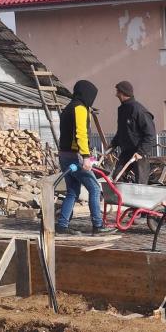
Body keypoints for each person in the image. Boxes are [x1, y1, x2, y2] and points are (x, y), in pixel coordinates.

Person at [56, 80, 115, 235]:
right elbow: (81, 134)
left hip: (63, 154)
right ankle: (98, 225)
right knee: (94, 188)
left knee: (72, 191)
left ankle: (62, 225)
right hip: (75, 156)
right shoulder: (80, 109)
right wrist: (86, 157)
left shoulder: (68, 108)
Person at [110, 81, 156, 184]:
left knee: (140, 182)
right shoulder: (122, 109)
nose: (116, 95)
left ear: (123, 93)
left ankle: (140, 194)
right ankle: (122, 194)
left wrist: (141, 152)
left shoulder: (138, 110)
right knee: (117, 176)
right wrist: (113, 143)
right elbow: (122, 131)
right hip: (126, 152)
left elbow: (150, 134)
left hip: (139, 152)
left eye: (118, 92)